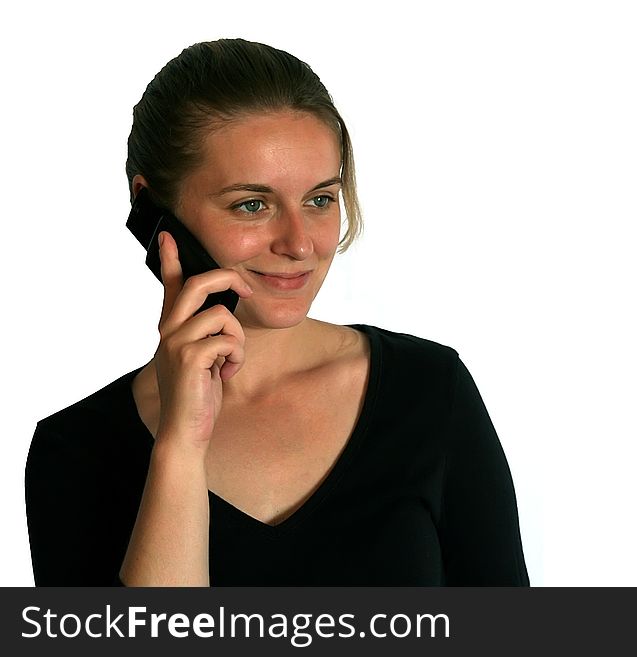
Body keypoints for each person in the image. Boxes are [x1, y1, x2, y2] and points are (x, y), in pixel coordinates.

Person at [24, 38, 529, 586]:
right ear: (152, 208)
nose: (299, 243)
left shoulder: (429, 390)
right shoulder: (75, 451)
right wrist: (181, 446)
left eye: (319, 200)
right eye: (252, 205)